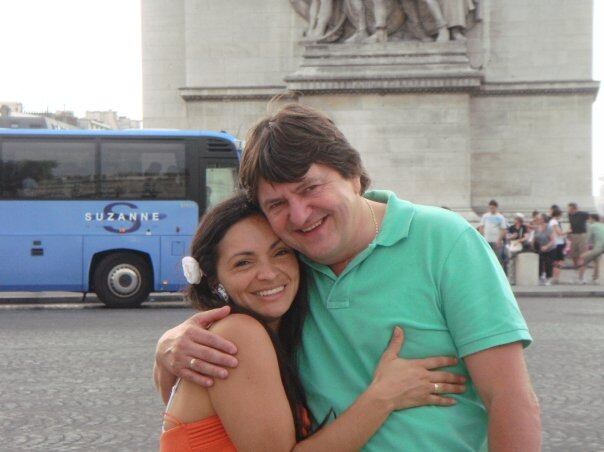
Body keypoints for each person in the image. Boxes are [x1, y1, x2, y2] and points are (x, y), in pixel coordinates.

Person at [155, 104, 540, 451]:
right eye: (277, 204)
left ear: (353, 175)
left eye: (310, 188)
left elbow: (509, 397)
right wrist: (169, 348)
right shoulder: (289, 266)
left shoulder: (445, 240)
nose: (300, 215)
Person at [159, 193, 466, 451]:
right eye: (243, 262)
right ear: (214, 280)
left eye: (280, 252)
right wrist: (383, 396)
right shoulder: (238, 334)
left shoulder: (272, 337)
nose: (268, 273)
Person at [478, 199, 507, 271]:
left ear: (496, 207)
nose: (491, 209)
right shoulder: (485, 216)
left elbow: (503, 229)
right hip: (487, 240)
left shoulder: (500, 217)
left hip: (496, 241)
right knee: (486, 257)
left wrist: (499, 240)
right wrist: (482, 238)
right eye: (490, 207)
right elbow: (481, 227)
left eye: (493, 207)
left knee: (497, 258)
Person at [577, 213, 604, 283]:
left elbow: (588, 239)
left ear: (592, 219)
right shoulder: (602, 225)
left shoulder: (592, 226)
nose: (588, 220)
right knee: (596, 260)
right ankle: (595, 279)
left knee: (583, 258)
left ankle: (580, 279)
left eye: (589, 219)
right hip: (599, 247)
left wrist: (586, 249)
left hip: (599, 247)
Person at [567, 202, 590, 284]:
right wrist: (569, 234)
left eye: (569, 209)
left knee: (583, 256)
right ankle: (576, 274)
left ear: (575, 209)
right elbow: (571, 225)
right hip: (573, 236)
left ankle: (581, 277)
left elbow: (593, 218)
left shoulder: (583, 214)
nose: (568, 210)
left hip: (582, 236)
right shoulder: (569, 215)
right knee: (574, 256)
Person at [506, 213, 529, 284]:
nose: (515, 220)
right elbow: (507, 237)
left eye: (516, 219)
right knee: (511, 259)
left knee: (512, 257)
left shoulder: (523, 227)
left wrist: (519, 240)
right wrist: (512, 236)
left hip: (520, 244)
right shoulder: (511, 227)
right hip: (513, 244)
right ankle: (511, 278)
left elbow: (526, 237)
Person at [532, 213, 556, 285]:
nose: (537, 220)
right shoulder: (537, 227)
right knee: (540, 262)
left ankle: (549, 278)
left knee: (548, 263)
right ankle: (540, 277)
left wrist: (546, 246)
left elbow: (552, 240)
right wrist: (532, 243)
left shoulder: (548, 228)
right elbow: (535, 237)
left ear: (543, 220)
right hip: (541, 247)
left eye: (538, 219)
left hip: (550, 248)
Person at [548, 205, 566, 284]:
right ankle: (555, 278)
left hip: (557, 242)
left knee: (557, 261)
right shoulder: (554, 222)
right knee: (559, 261)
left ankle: (555, 277)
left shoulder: (552, 221)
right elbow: (559, 233)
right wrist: (569, 231)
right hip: (557, 243)